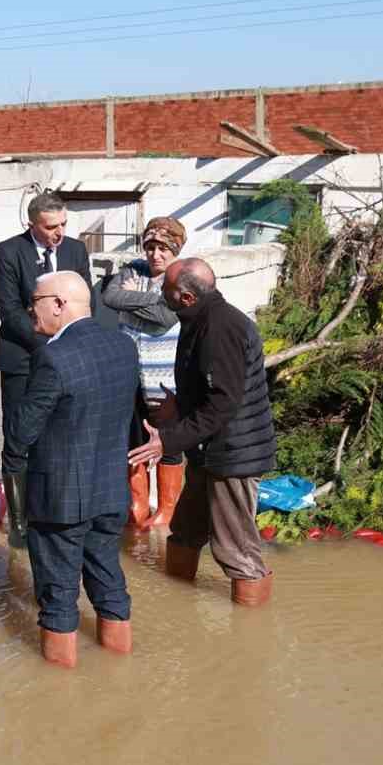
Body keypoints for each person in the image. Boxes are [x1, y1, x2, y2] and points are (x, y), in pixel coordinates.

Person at [3, 271, 139, 668]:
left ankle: (60, 694)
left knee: (58, 594)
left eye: (36, 303)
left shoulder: (52, 356)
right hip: (110, 492)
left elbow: (21, 433)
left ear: (59, 304)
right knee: (109, 582)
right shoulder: (123, 345)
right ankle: (119, 670)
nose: (32, 313)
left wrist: (16, 500)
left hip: (61, 499)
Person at [129, 258, 277, 607]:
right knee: (185, 532)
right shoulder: (200, 318)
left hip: (233, 455)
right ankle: (177, 607)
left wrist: (167, 440)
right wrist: (178, 407)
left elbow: (223, 404)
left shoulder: (221, 327)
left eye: (165, 288)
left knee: (236, 550)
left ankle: (251, 638)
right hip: (209, 451)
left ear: (186, 297)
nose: (159, 292)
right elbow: (215, 392)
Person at [0, 192, 93, 541]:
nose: (58, 232)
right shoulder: (8, 252)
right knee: (18, 437)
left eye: (63, 224)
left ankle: (53, 510)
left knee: (60, 434)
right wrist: (49, 345)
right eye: (51, 227)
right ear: (32, 224)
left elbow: (84, 301)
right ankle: (19, 524)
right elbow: (10, 311)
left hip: (68, 358)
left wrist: (70, 347)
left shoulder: (76, 251)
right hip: (22, 358)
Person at [101, 216, 186, 531]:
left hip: (166, 380)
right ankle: (137, 504)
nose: (155, 255)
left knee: (167, 443)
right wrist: (155, 300)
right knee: (132, 440)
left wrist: (134, 301)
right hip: (128, 376)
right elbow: (110, 297)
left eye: (163, 248)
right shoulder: (133, 269)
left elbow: (166, 317)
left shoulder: (182, 275)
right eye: (150, 247)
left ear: (175, 249)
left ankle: (166, 510)